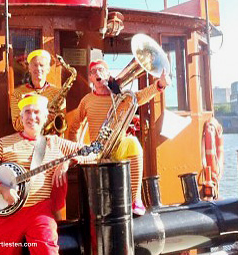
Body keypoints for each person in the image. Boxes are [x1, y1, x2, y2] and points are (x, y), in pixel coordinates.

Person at [0, 93, 96, 255]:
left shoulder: (56, 143)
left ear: (45, 117)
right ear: (21, 118)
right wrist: (1, 188)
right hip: (7, 216)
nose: (32, 117)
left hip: (39, 212)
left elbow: (93, 153)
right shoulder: (4, 143)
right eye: (28, 112)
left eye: (37, 112)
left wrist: (69, 161)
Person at [64, 59, 166, 215]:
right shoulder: (87, 100)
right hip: (97, 150)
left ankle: (135, 200)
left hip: (118, 146)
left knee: (133, 142)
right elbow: (75, 126)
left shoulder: (121, 96)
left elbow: (139, 97)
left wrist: (159, 85)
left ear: (107, 74)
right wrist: (76, 147)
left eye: (101, 70)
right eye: (93, 72)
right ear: (91, 78)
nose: (97, 74)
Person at [9, 49, 61, 132]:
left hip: (51, 139)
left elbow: (62, 120)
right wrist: (41, 116)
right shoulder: (18, 93)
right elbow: (16, 125)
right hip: (27, 142)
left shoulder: (57, 92)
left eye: (41, 65)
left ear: (48, 69)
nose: (38, 68)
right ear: (29, 68)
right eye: (35, 65)